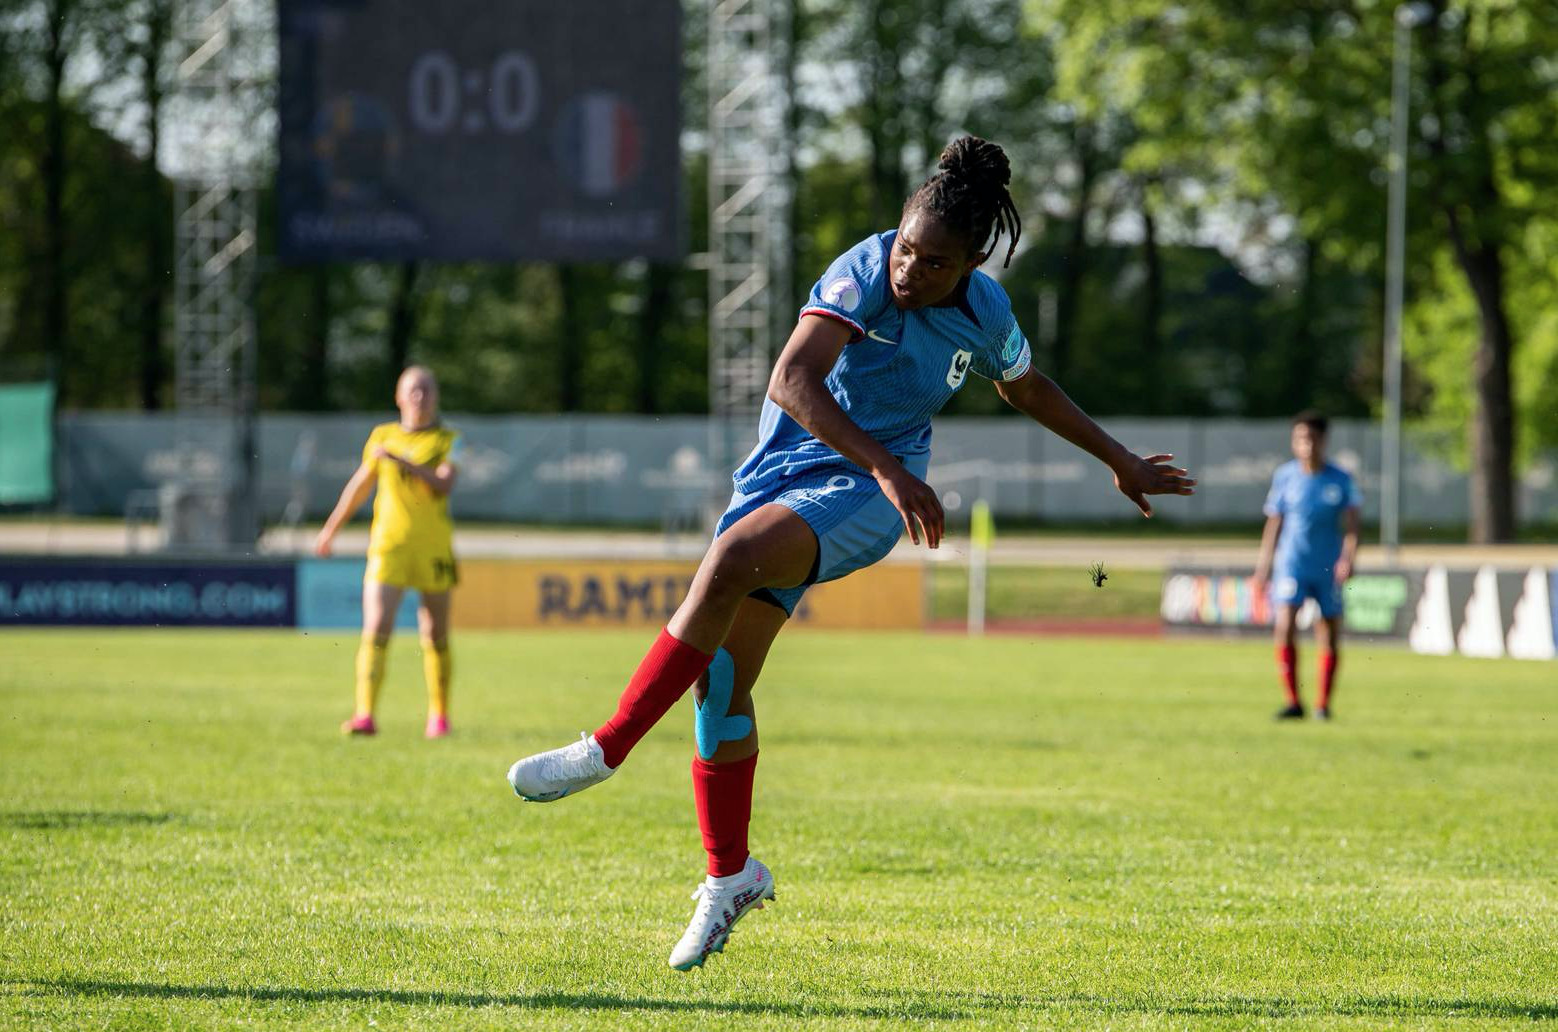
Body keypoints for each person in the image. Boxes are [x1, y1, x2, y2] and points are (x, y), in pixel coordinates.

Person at [506, 137, 1196, 970]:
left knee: (727, 565)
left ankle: (606, 748)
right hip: (796, 476)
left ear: (974, 263)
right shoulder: (863, 271)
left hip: (870, 496)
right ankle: (731, 877)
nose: (911, 270)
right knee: (723, 683)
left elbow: (1024, 386)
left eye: (935, 262)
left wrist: (1116, 457)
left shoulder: (985, 313)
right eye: (906, 247)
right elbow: (791, 382)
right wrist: (889, 464)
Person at [315, 365, 461, 739]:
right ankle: (365, 714)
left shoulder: (449, 439)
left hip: (433, 549)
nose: (420, 397)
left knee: (436, 634)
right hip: (388, 547)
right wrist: (330, 530)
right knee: (377, 627)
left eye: (427, 389)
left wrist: (404, 462)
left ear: (436, 396)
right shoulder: (382, 436)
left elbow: (444, 484)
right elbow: (359, 487)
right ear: (398, 396)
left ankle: (439, 716)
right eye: (413, 390)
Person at [1252, 411, 1361, 721]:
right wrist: (1263, 566)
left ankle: (1323, 704)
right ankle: (1293, 701)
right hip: (1292, 564)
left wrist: (1348, 558)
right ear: (1293, 442)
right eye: (1300, 439)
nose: (1306, 445)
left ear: (1323, 441)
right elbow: (1274, 524)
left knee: (1328, 631)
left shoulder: (1340, 479)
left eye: (1312, 438)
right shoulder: (1285, 477)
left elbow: (1353, 525)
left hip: (1327, 566)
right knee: (1284, 625)